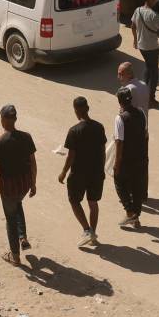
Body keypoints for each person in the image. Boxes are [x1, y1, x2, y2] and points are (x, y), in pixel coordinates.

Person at [0, 104, 37, 267]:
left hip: (8, 188)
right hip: (24, 184)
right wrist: (33, 183)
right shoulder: (27, 137)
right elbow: (33, 163)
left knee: (10, 218)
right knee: (18, 204)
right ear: (15, 119)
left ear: (2, 120)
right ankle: (23, 237)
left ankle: (15, 256)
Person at [58, 95, 107, 248]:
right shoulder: (99, 127)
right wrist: (101, 169)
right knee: (93, 202)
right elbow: (102, 151)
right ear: (88, 108)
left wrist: (63, 172)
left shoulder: (74, 131)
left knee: (74, 201)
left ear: (76, 111)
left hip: (79, 173)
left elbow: (71, 155)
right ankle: (92, 232)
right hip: (96, 172)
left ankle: (87, 230)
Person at [111, 86, 149, 230]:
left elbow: (119, 142)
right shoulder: (141, 113)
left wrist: (116, 164)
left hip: (127, 160)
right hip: (140, 157)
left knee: (119, 183)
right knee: (137, 187)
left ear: (120, 102)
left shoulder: (120, 118)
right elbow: (145, 135)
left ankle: (129, 212)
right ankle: (136, 217)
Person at [131, 0, 159, 100]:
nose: (156, 1)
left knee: (148, 68)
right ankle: (151, 99)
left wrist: (135, 40)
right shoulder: (153, 15)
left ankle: (142, 93)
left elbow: (133, 26)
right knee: (154, 73)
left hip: (142, 47)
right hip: (152, 48)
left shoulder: (138, 10)